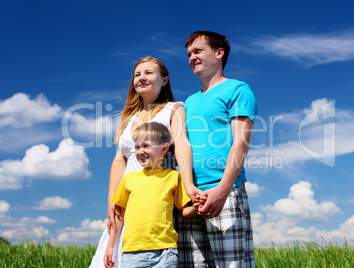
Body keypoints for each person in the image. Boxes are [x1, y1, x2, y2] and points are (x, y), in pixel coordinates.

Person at [90, 56, 195, 268]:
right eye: (137, 74)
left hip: (156, 193)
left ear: (164, 80)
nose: (141, 78)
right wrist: (112, 201)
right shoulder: (129, 117)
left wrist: (189, 185)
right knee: (114, 254)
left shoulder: (174, 109)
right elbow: (119, 159)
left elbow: (182, 144)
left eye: (148, 73)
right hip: (129, 192)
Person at [178, 31, 258, 267]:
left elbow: (240, 143)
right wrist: (188, 190)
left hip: (226, 192)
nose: (192, 57)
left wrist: (222, 190)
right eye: (189, 54)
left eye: (198, 51)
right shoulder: (189, 102)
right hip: (191, 198)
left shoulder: (238, 90)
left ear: (219, 53)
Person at [104, 122, 199, 268]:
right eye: (137, 147)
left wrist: (197, 206)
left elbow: (184, 211)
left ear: (164, 149)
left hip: (165, 252)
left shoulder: (173, 177)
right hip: (132, 252)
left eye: (146, 145)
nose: (140, 151)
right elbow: (119, 216)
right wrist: (110, 246)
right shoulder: (129, 179)